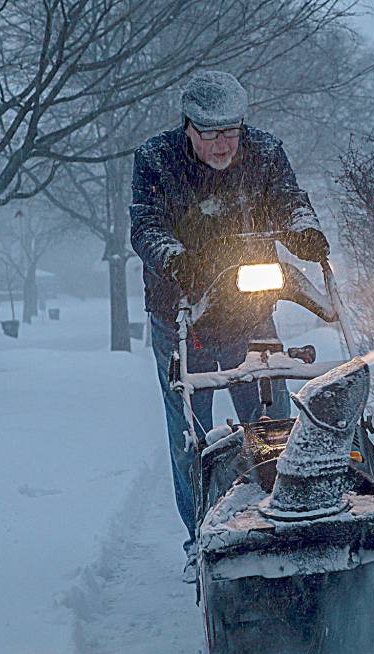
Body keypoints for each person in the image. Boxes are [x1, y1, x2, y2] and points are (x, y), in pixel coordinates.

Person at [129, 71, 329, 582]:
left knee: (271, 421)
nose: (222, 144)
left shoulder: (264, 152)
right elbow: (145, 224)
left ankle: (281, 515)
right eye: (211, 133)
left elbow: (288, 199)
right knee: (190, 433)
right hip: (182, 314)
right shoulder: (156, 160)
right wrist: (174, 259)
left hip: (249, 307)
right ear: (188, 128)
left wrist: (302, 229)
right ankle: (200, 539)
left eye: (231, 132)